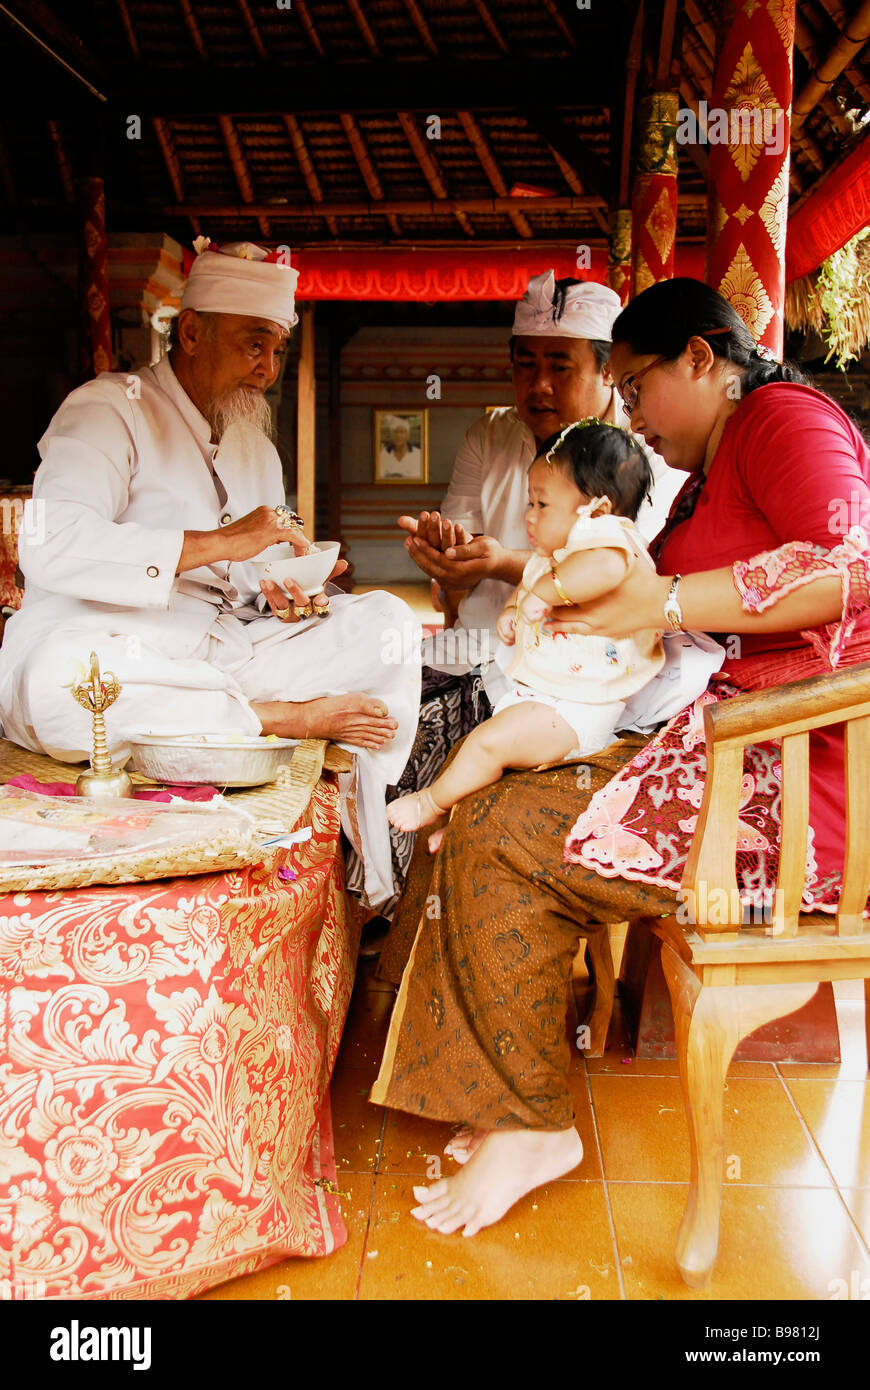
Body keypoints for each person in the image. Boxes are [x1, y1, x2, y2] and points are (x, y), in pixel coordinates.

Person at [370, 276, 870, 1238]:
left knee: (505, 826)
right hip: (736, 749)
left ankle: (530, 1119)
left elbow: (850, 563)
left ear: (701, 358)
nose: (632, 416)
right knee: (487, 803)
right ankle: (508, 1102)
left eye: (634, 387)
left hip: (795, 781)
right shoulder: (723, 455)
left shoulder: (782, 420)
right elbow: (633, 586)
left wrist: (667, 607)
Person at [0, 239, 421, 911]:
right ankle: (284, 719)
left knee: (387, 627)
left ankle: (347, 833)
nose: (268, 370)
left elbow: (258, 576)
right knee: (56, 687)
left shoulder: (252, 441)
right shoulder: (108, 408)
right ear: (191, 332)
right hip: (104, 644)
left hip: (221, 653)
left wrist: (288, 592)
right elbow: (51, 546)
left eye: (277, 350)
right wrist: (221, 541)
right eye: (255, 345)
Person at [379, 274, 687, 926]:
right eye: (525, 365)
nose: (537, 385)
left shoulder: (639, 457)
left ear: (608, 374)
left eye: (558, 366)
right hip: (482, 649)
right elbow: (460, 577)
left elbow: (625, 574)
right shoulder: (492, 436)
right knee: (376, 693)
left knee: (436, 738)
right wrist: (449, 562)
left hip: (575, 679)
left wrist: (508, 564)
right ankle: (382, 906)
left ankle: (417, 909)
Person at [388, 420, 665, 848]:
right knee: (492, 755)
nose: (528, 516)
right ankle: (459, 827)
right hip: (546, 694)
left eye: (542, 504)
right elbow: (532, 581)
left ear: (597, 509)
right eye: (529, 502)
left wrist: (545, 593)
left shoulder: (609, 542)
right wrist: (517, 606)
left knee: (486, 745)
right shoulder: (554, 556)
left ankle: (430, 804)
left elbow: (603, 570)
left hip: (579, 711)